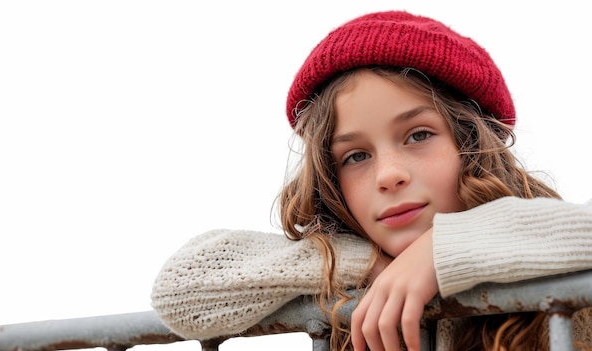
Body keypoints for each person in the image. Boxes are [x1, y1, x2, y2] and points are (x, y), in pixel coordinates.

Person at [151, 10, 592, 351]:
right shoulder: (355, 278)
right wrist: (357, 264)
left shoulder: (551, 265)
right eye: (356, 156)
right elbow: (178, 292)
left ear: (473, 144)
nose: (389, 175)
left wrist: (446, 250)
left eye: (419, 135)